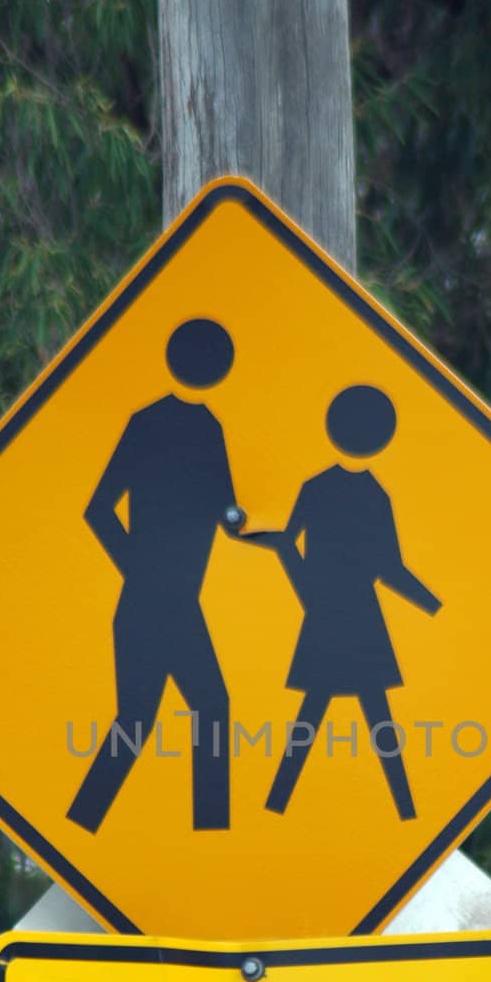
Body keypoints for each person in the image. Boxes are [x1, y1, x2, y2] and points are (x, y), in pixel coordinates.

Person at [66, 319, 240, 833]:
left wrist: (245, 524)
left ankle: (89, 822)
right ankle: (204, 830)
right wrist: (139, 571)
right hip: (152, 602)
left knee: (158, 717)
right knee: (187, 711)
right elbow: (98, 509)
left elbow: (225, 513)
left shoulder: (210, 428)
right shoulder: (149, 423)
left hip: (177, 600)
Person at [258, 384, 441, 820]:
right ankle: (405, 810)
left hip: (330, 613)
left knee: (320, 714)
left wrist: (307, 590)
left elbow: (287, 543)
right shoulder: (374, 495)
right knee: (375, 719)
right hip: (356, 617)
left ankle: (277, 804)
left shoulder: (318, 487)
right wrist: (434, 606)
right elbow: (389, 568)